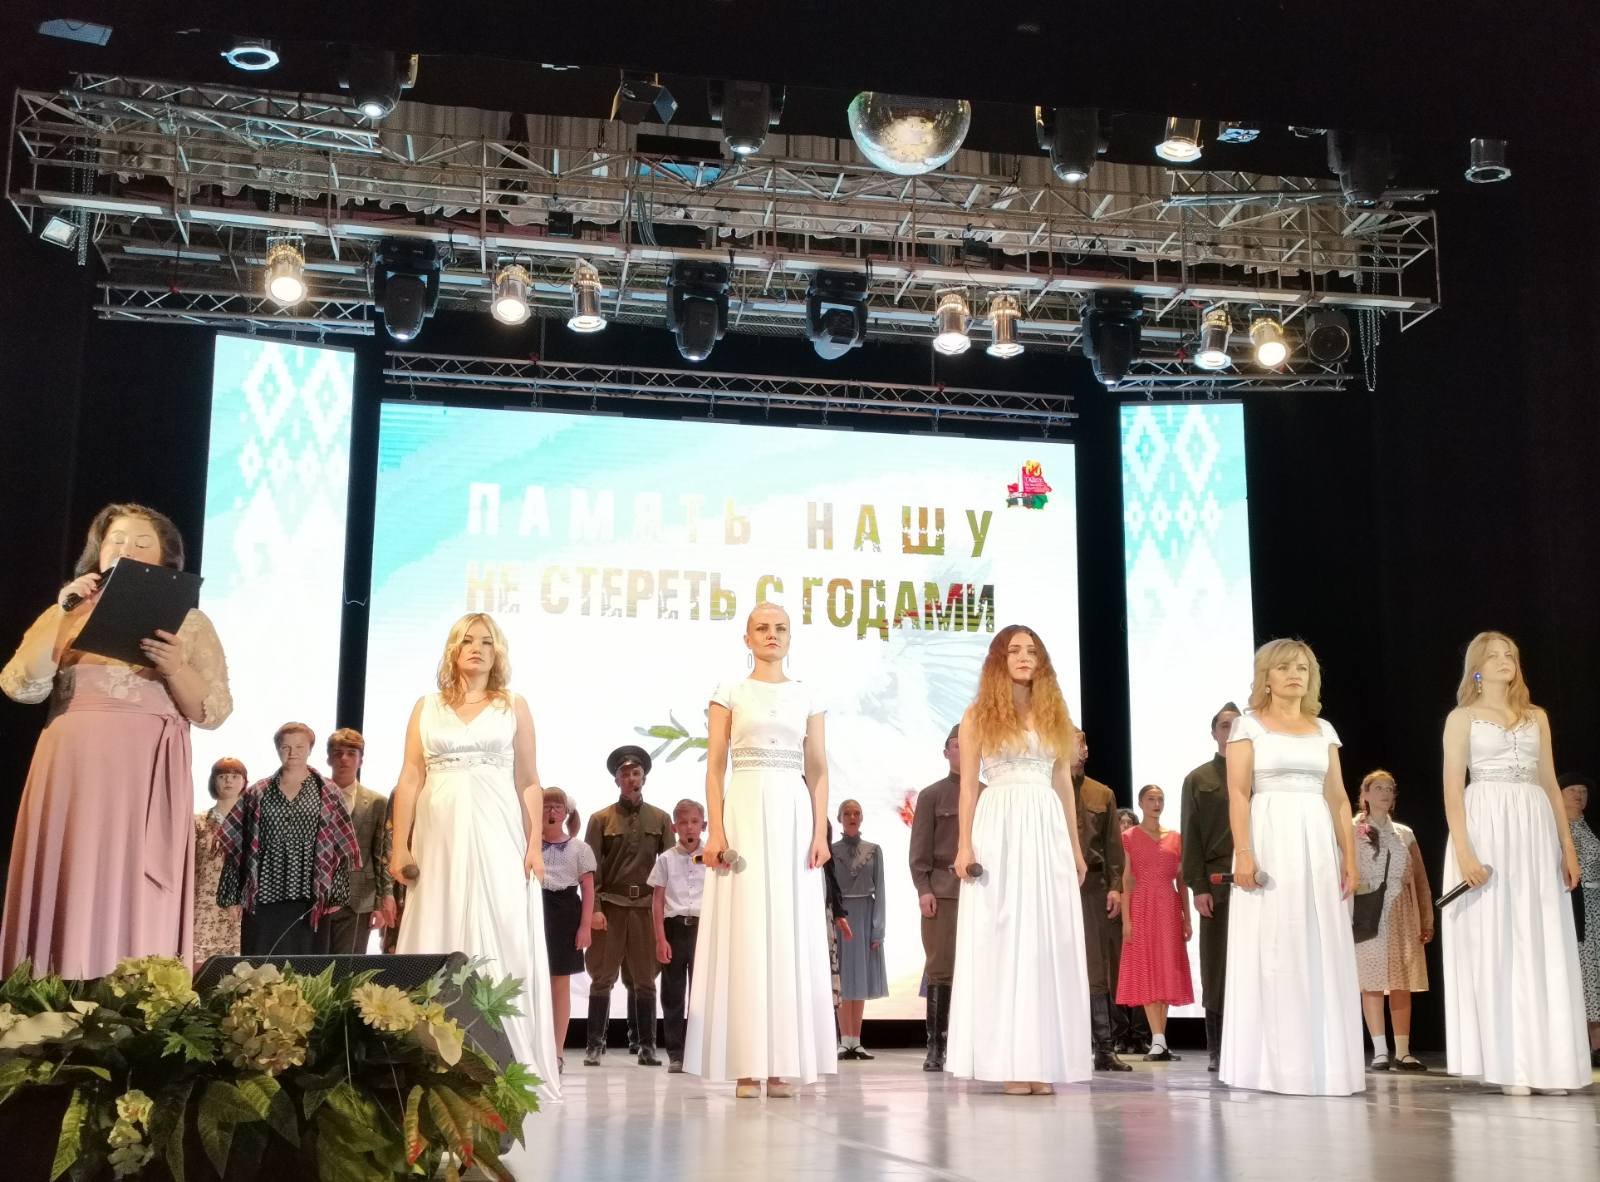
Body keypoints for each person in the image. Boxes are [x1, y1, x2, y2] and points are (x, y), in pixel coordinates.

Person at [2, 503, 233, 978]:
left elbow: (212, 711)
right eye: (117, 541)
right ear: (99, 552)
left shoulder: (190, 622)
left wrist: (175, 666)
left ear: (165, 560)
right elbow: (21, 686)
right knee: (71, 871)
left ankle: (135, 995)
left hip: (143, 771)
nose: (127, 549)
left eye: (142, 543)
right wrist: (61, 615)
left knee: (131, 882)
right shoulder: (65, 612)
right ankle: (48, 992)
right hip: (71, 768)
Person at [386, 612, 561, 1103]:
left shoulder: (513, 706)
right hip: (439, 836)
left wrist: (533, 844)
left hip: (497, 832)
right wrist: (400, 844)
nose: (477, 648)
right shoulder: (426, 707)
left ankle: (504, 1059)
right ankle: (429, 1054)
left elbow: (529, 779)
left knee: (501, 926)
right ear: (453, 649)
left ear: (497, 651)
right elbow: (410, 778)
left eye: (486, 641)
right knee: (437, 922)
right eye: (468, 640)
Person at [685, 602, 835, 1099]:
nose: (773, 635)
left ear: (791, 637)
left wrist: (819, 832)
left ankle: (782, 1064)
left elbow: (818, 768)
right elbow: (715, 767)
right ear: (746, 638)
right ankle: (747, 1065)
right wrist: (716, 832)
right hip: (745, 810)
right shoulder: (730, 691)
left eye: (781, 628)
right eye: (763, 628)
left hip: (793, 816)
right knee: (747, 929)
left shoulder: (807, 694)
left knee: (788, 930)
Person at [1440, 632, 1588, 1095]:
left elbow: (1550, 784)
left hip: (1534, 829)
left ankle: (1549, 1064)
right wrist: (1464, 851)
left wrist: (1567, 847)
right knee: (1497, 939)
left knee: (1540, 937)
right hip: (1486, 826)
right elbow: (1452, 789)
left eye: (1510, 655)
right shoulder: (1462, 718)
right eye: (1494, 656)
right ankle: (1509, 1064)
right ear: (1476, 668)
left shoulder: (1536, 716)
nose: (1505, 661)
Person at [949, 624, 1091, 1096]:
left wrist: (1075, 848)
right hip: (1000, 826)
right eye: (1014, 650)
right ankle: (1009, 1061)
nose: (1025, 656)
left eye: (1032, 650)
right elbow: (968, 788)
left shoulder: (1055, 715)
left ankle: (1040, 1060)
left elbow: (1063, 784)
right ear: (999, 659)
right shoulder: (978, 715)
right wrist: (964, 845)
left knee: (1045, 940)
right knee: (1004, 936)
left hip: (1046, 828)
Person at [1221, 638, 1363, 1096]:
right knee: (1276, 944)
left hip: (1317, 843)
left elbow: (1338, 797)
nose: (1294, 675)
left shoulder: (1324, 729)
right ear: (1266, 677)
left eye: (1302, 667)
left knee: (1320, 943)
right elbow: (1239, 792)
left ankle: (1325, 1064)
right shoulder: (1248, 726)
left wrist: (1349, 856)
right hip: (1270, 838)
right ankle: (1273, 1066)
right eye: (1284, 668)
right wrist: (1244, 852)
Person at [217, 723, 359, 956]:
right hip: (263, 895)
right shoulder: (258, 791)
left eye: (300, 747)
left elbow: (339, 845)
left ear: (310, 749)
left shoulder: (328, 791)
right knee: (260, 965)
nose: (293, 753)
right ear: (277, 749)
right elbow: (236, 845)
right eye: (286, 747)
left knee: (308, 966)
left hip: (311, 896)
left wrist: (337, 893)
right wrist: (232, 895)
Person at [582, 745, 673, 1068]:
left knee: (645, 978)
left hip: (646, 908)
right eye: (625, 774)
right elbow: (591, 870)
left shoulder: (661, 819)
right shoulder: (600, 819)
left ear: (644, 777)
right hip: (611, 906)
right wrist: (594, 909)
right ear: (616, 780)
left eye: (636, 773)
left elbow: (670, 869)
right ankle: (594, 1045)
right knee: (602, 976)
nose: (631, 778)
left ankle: (647, 1046)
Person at [1351, 770, 1431, 1072]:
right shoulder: (1352, 829)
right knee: (1371, 980)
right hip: (1367, 909)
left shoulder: (1404, 833)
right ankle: (1380, 1050)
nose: (1385, 793)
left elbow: (1420, 880)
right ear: (1365, 794)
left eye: (1389, 789)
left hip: (1401, 910)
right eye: (1378, 788)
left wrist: (1426, 919)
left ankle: (1403, 1051)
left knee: (1401, 981)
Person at [1179, 702, 1242, 1072]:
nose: (1230, 731)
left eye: (1237, 725)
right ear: (1214, 732)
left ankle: (1252, 1045)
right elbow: (1191, 837)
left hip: (1256, 881)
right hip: (1217, 883)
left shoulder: (1258, 776)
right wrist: (1198, 886)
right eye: (1224, 725)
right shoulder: (1199, 779)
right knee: (1216, 965)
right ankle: (1217, 1049)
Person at [1117, 785, 1193, 1061]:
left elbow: (1182, 881)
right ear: (1140, 803)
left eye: (1160, 799)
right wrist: (1126, 919)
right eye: (1151, 799)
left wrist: (1187, 917)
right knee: (1148, 968)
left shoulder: (1175, 838)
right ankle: (1158, 1038)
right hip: (1142, 906)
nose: (1156, 803)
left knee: (1166, 969)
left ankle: (1159, 1040)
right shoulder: (1129, 837)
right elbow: (1127, 880)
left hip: (1169, 908)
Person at [1072, 731, 1128, 1072]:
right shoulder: (1047, 790)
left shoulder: (1101, 793)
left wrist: (1115, 887)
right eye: (1074, 742)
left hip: (1092, 886)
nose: (1082, 748)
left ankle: (1104, 1049)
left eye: (1083, 743)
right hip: (1056, 884)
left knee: (1096, 967)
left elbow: (1112, 846)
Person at [908, 725, 962, 1071]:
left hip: (980, 892)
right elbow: (919, 850)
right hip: (942, 891)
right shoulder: (932, 796)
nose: (963, 750)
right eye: (956, 745)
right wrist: (924, 889)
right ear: (946, 752)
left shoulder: (988, 795)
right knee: (941, 969)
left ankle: (971, 1046)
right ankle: (936, 1047)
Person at [319, 728, 395, 955]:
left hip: (359, 898)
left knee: (349, 964)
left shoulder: (377, 802)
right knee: (313, 963)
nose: (344, 759)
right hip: (319, 896)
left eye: (351, 753)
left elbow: (381, 855)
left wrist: (381, 902)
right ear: (328, 758)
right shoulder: (314, 798)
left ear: (361, 760)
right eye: (337, 753)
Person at [650, 799, 708, 1073]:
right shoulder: (666, 859)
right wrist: (660, 939)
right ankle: (676, 1053)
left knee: (701, 993)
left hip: (703, 929)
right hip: (674, 929)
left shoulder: (712, 857)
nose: (689, 827)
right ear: (674, 827)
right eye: (683, 823)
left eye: (694, 822)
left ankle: (699, 1051)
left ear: (704, 825)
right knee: (673, 994)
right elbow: (657, 901)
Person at [540, 787, 595, 1075]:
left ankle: (557, 1052)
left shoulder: (579, 848)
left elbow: (588, 890)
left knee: (559, 983)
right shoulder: (526, 844)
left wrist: (585, 926)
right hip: (535, 910)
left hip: (565, 914)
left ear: (565, 812)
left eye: (556, 807)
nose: (551, 811)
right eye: (545, 805)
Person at [832, 799, 888, 1060]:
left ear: (862, 817)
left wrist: (878, 929)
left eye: (856, 813)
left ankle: (856, 1040)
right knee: (843, 979)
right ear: (840, 818)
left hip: (865, 917)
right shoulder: (831, 852)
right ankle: (845, 1040)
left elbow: (881, 891)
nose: (852, 817)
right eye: (847, 813)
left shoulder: (874, 851)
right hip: (840, 918)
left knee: (860, 977)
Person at [1558, 774, 1600, 1066]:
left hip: (1596, 905)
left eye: (1583, 791)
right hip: (1573, 904)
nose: (1578, 794)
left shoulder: (1590, 825)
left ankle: (1597, 1044)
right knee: (1581, 970)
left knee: (1595, 972)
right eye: (1572, 790)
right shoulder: (1554, 828)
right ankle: (1576, 1044)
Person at [193, 758, 247, 967]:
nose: (228, 781)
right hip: (204, 905)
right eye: (223, 776)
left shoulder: (252, 822)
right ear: (213, 781)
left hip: (239, 906)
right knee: (201, 966)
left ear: (244, 781)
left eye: (234, 776)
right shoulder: (198, 822)